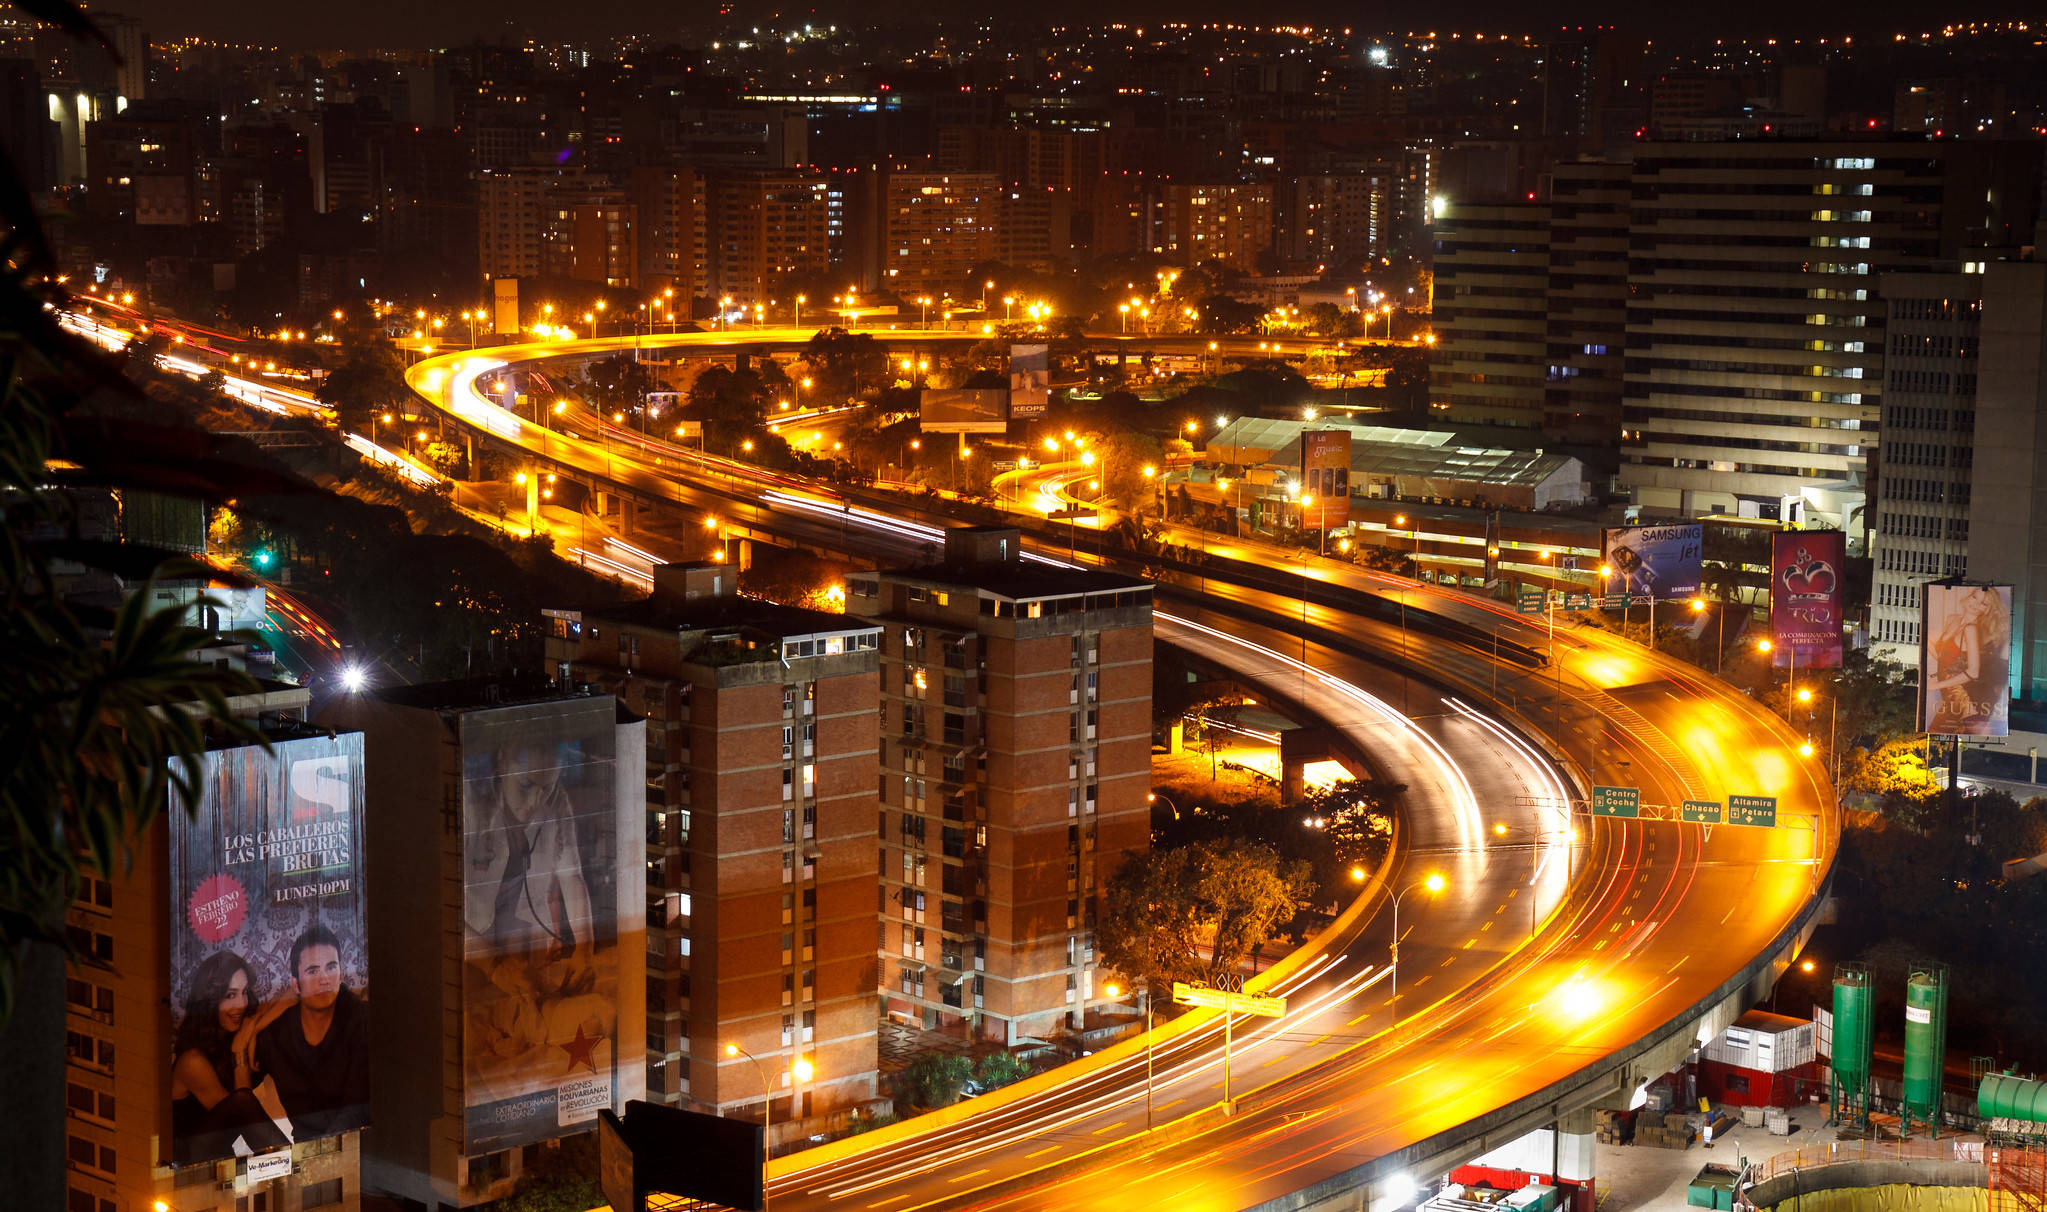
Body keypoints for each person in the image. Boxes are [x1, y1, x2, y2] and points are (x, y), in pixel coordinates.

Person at [170, 951, 290, 1163]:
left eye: (244, 992)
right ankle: (285, 1163)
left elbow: (291, 997)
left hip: (219, 1151)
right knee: (243, 1100)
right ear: (209, 1001)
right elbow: (239, 1122)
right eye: (230, 995)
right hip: (190, 1160)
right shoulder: (192, 1061)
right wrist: (240, 1049)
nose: (241, 1004)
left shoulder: (226, 1034)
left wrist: (251, 1029)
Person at [252, 926, 370, 1141]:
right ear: (295, 984)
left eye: (331, 967)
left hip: (359, 1146)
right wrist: (244, 1041)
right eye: (313, 971)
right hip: (301, 1151)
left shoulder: (360, 1019)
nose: (324, 979)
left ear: (341, 974)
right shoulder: (276, 1034)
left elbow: (356, 1108)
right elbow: (240, 1102)